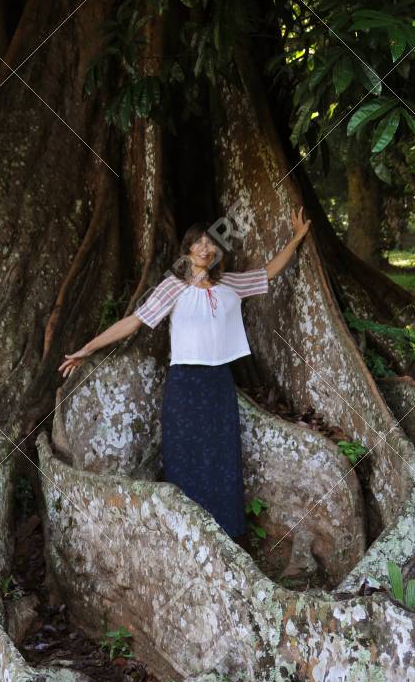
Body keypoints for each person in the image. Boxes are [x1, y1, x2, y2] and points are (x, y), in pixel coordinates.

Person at [58, 205, 312, 539]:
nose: (205, 248)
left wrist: (297, 238)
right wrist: (87, 349)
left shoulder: (230, 285)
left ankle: (227, 533)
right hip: (185, 382)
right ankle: (188, 535)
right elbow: (134, 322)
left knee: (222, 454)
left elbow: (267, 273)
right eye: (198, 243)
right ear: (188, 249)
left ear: (217, 251)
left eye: (211, 243)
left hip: (219, 381)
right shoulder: (172, 288)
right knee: (185, 455)